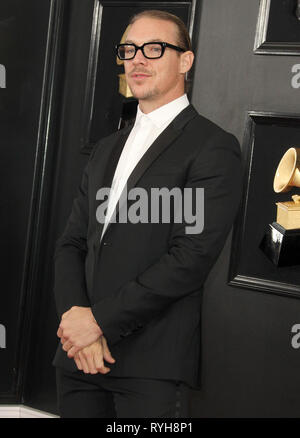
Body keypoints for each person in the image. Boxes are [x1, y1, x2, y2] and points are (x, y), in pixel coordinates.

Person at [53, 9, 242, 418]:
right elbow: (71, 244)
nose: (137, 59)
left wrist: (98, 321)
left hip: (150, 366)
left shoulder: (213, 147)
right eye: (129, 49)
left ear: (185, 61)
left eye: (154, 49)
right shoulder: (106, 149)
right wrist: (76, 323)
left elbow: (189, 260)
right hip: (80, 359)